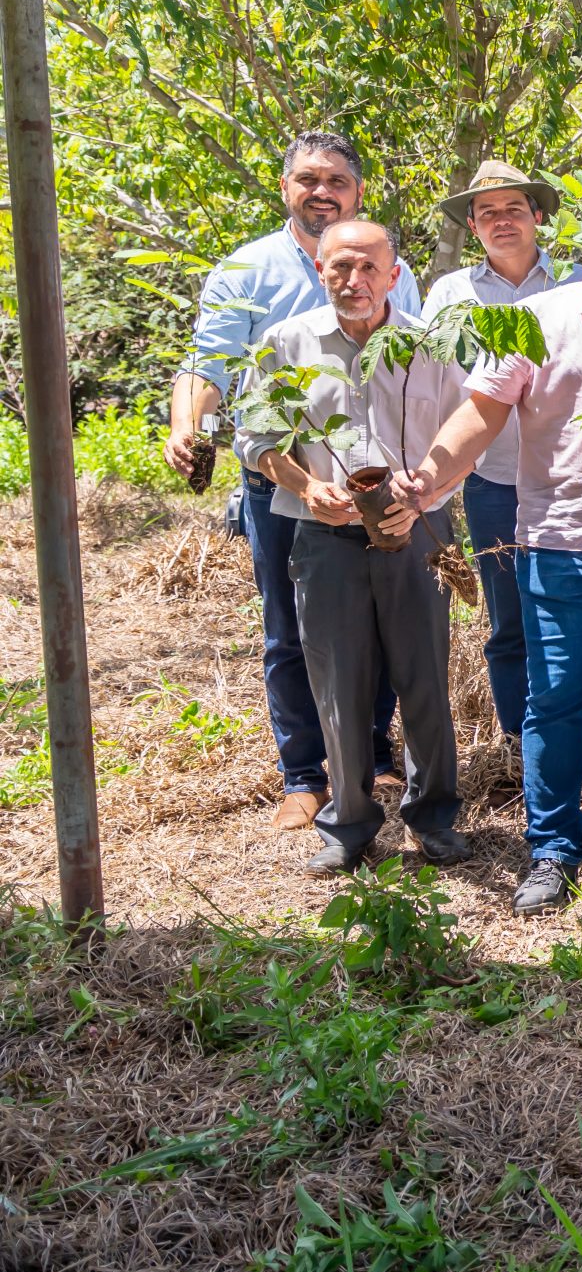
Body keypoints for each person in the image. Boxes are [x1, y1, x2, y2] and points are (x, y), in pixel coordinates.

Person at [399, 185, 582, 915]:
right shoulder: (534, 320)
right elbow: (482, 412)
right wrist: (430, 475)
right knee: (556, 697)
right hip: (558, 539)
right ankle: (552, 845)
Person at [167, 130, 419, 830]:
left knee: (376, 619)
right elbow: (208, 364)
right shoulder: (246, 271)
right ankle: (303, 773)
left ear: (358, 192)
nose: (322, 191)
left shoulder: (391, 264)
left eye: (336, 180)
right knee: (290, 628)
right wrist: (185, 424)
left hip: (370, 476)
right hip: (281, 478)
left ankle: (371, 753)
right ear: (285, 188)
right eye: (307, 179)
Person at [239, 222, 467, 874]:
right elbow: (257, 438)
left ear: (395, 275)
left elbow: (467, 428)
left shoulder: (431, 344)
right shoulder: (286, 342)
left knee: (423, 675)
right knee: (337, 681)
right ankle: (349, 823)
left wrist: (424, 495)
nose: (354, 279)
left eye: (368, 266)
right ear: (318, 270)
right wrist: (309, 488)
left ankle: (434, 816)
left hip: (417, 531)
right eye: (339, 267)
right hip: (325, 537)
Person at [422, 160, 582, 763]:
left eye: (514, 208)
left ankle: (581, 738)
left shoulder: (576, 282)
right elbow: (436, 386)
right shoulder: (450, 294)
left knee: (580, 612)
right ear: (472, 224)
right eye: (487, 212)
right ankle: (523, 745)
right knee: (509, 619)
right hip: (492, 479)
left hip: (574, 480)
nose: (502, 221)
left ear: (538, 215)